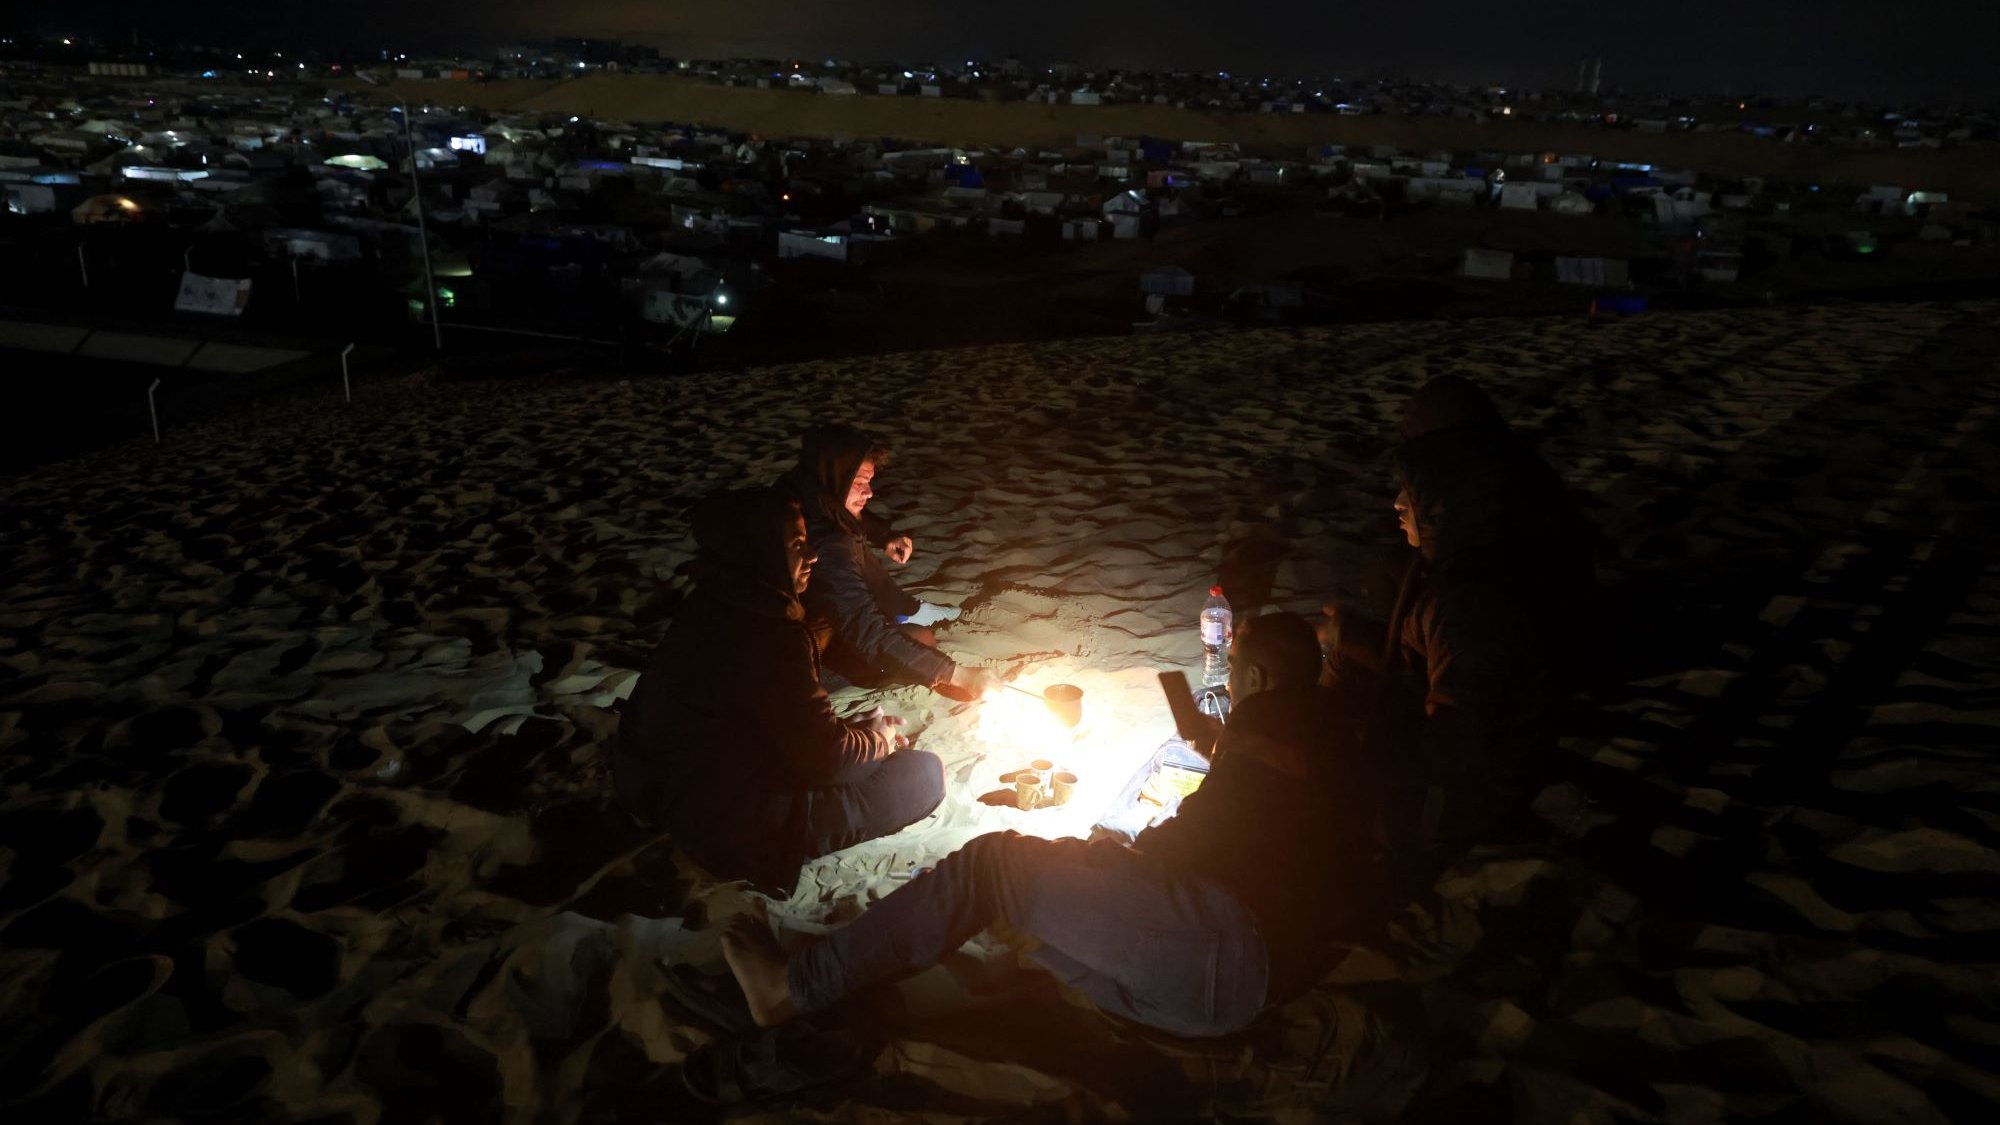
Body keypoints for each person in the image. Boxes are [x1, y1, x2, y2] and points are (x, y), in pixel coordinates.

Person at [718, 613, 1376, 1037]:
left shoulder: (1264, 730)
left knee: (993, 865)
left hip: (1221, 951)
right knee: (1028, 921)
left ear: (1257, 677)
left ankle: (790, 990)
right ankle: (883, 973)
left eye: (1234, 672)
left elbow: (1191, 843)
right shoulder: (1328, 729)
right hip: (1259, 984)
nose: (1228, 685)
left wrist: (1117, 855)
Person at [611, 487, 945, 895]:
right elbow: (828, 761)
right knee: (924, 773)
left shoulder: (712, 602)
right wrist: (879, 740)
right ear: (761, 550)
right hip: (732, 823)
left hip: (674, 792)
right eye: (797, 545)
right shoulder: (770, 631)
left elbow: (778, 721)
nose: (812, 556)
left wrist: (851, 731)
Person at [1323, 377, 1598, 855]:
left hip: (1474, 796)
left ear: (1443, 489)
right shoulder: (1497, 522)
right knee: (1370, 598)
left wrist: (1348, 765)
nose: (1397, 503)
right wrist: (1351, 635)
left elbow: (1458, 747)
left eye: (1411, 489)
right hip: (1486, 724)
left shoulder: (1470, 598)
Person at [778, 424, 998, 701]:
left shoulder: (797, 492)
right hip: (799, 656)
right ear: (834, 477)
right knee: (921, 639)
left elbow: (837, 513)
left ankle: (905, 609)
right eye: (859, 482)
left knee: (852, 540)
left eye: (869, 482)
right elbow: (866, 631)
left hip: (799, 627)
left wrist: (883, 535)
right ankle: (830, 676)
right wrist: (957, 675)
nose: (869, 492)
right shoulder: (826, 545)